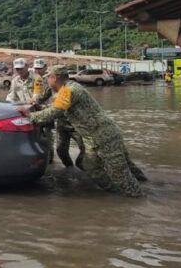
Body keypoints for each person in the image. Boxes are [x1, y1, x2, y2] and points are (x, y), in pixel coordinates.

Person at [20, 66, 147, 197]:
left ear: (54, 78)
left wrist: (30, 116)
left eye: (49, 79)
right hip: (92, 136)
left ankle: (139, 198)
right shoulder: (65, 88)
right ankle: (116, 192)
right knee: (89, 165)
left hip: (104, 134)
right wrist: (37, 105)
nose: (47, 82)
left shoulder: (69, 89)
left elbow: (56, 111)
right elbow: (52, 104)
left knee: (120, 172)